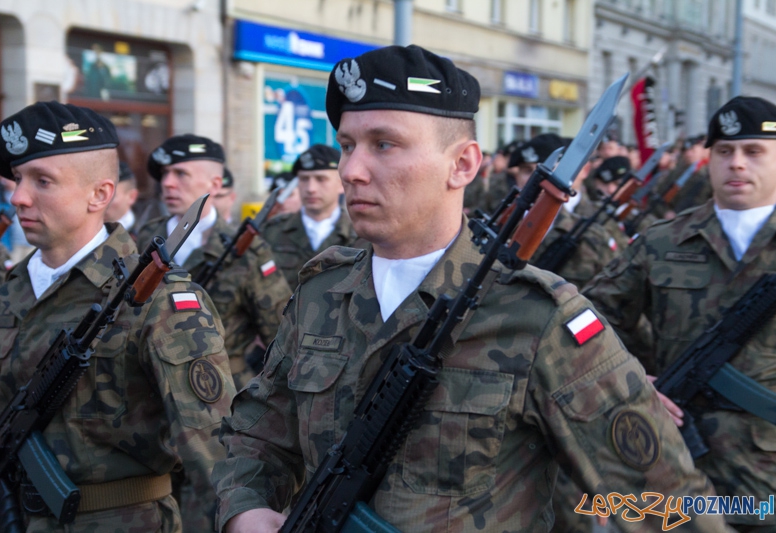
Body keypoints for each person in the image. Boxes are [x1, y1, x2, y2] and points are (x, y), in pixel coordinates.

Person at [211, 44, 725, 533]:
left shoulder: (537, 315)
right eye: (347, 146)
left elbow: (667, 504)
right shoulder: (321, 292)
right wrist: (246, 508)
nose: (351, 170)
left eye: (384, 145)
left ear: (462, 165)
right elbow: (259, 433)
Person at [0, 101, 234, 531]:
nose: (18, 196)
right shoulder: (15, 289)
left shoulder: (157, 298)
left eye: (43, 181)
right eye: (18, 178)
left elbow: (218, 449)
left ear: (99, 194)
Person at [584, 96, 776, 531]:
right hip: (675, 475)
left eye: (754, 151)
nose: (737, 163)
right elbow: (584, 322)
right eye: (724, 151)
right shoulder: (663, 241)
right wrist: (629, 381)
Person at [138, 134, 293, 391]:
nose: (167, 183)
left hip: (219, 388)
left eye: (180, 174)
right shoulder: (146, 239)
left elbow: (282, 335)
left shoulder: (246, 249)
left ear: (216, 184)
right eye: (164, 174)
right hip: (149, 389)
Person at [509, 133, 621, 290]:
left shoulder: (594, 232)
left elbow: (611, 290)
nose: (535, 180)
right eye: (527, 171)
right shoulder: (502, 224)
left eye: (546, 172)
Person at [260, 144, 358, 289]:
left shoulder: (359, 234)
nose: (311, 188)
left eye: (321, 179)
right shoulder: (271, 231)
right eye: (304, 179)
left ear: (341, 184)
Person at [103, 161, 140, 238]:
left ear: (132, 197)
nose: (101, 203)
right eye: (99, 195)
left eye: (111, 196)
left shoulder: (146, 236)